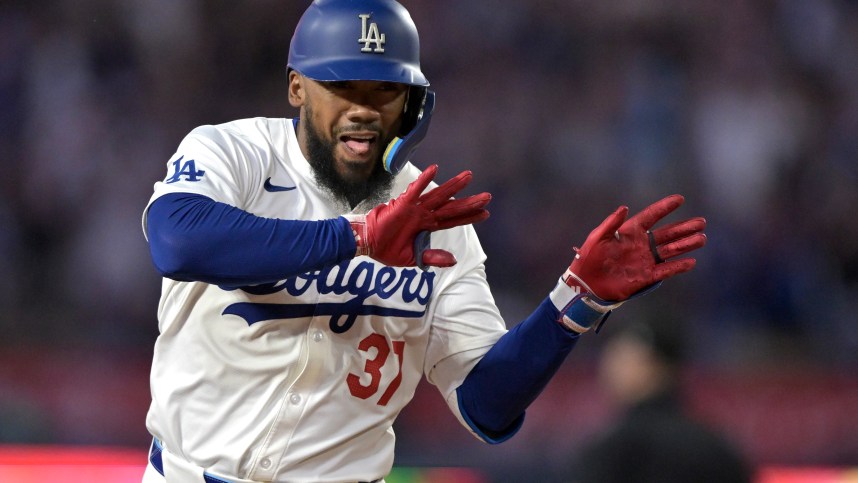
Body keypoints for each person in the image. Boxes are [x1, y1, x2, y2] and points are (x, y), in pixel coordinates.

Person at [140, 1, 707, 482]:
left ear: (413, 102)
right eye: (342, 85)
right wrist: (354, 237)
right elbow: (177, 242)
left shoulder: (437, 217)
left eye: (386, 89)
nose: (364, 107)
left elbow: (486, 405)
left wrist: (575, 302)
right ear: (297, 88)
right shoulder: (235, 153)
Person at [568, 320, 752, 483]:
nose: (609, 368)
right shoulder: (715, 444)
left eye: (622, 358)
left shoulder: (615, 446)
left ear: (656, 366)